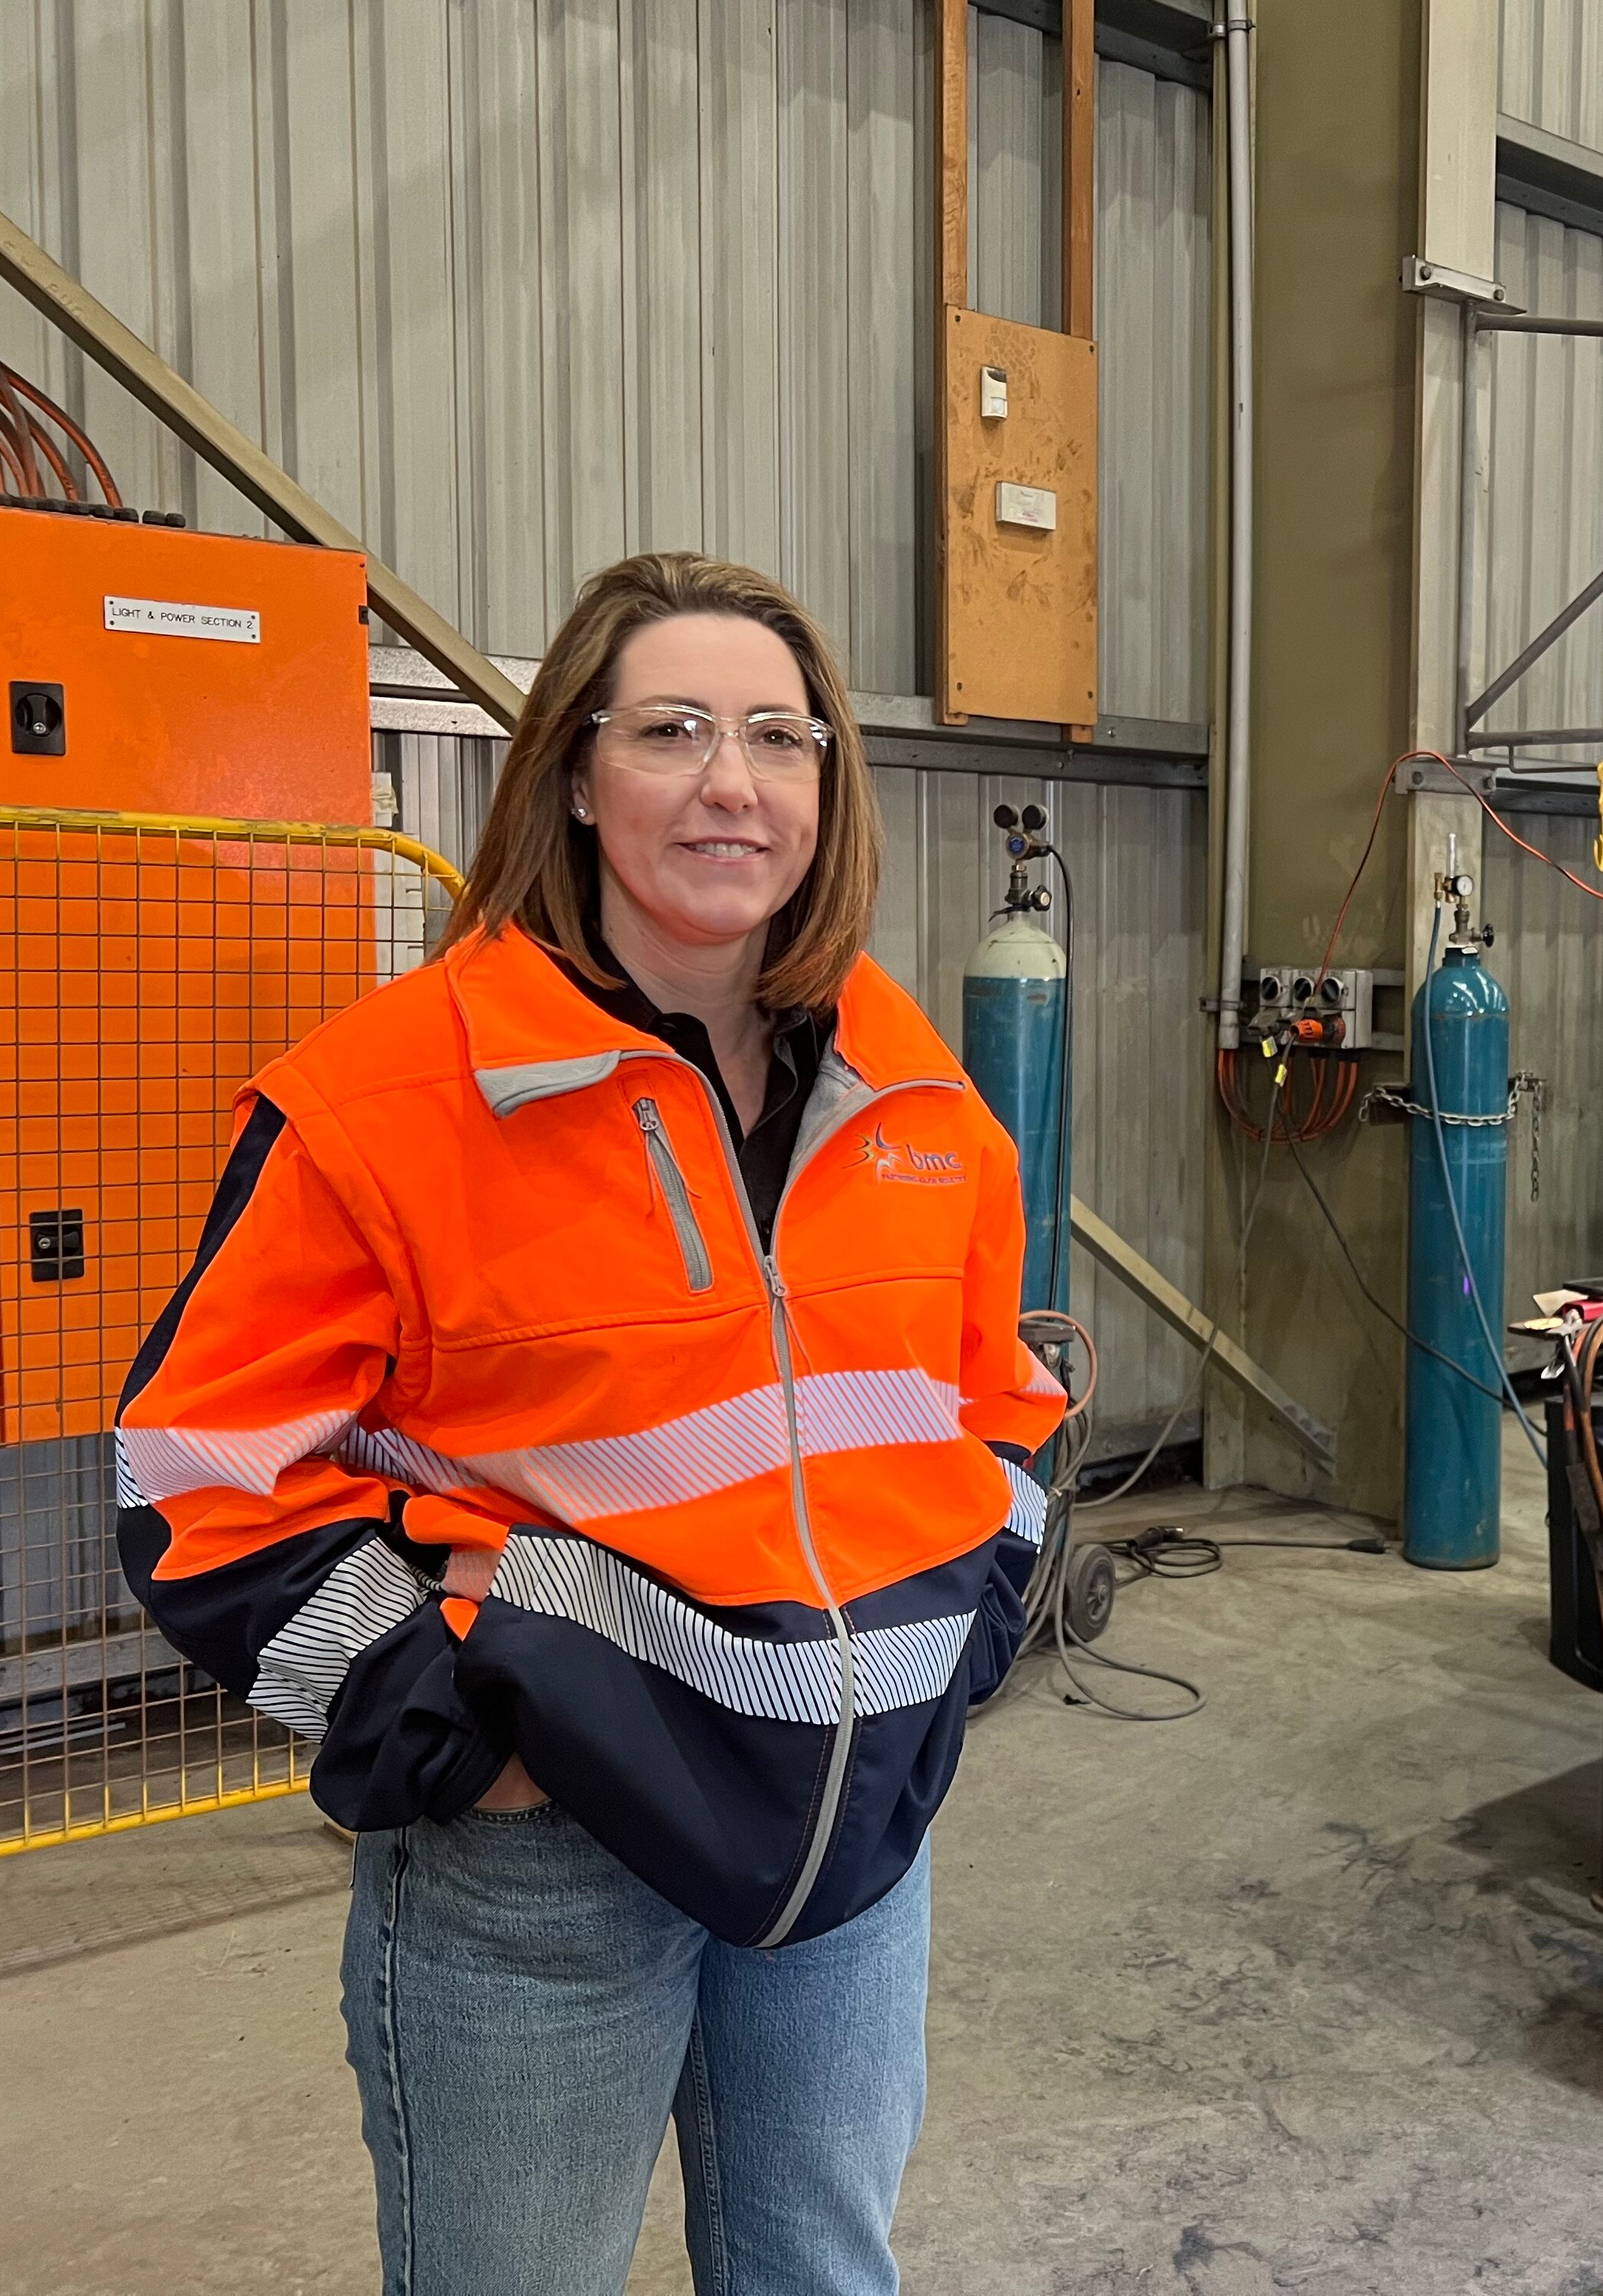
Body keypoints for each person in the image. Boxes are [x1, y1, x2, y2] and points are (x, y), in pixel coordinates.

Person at [117, 550, 1062, 2295]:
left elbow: (995, 1400)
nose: (733, 781)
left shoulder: (920, 1097)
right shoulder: (386, 1104)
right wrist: (463, 1742)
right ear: (572, 772)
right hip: (548, 1859)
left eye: (779, 737)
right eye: (672, 731)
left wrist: (962, 1647)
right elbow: (199, 1476)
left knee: (822, 2274)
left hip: (854, 1835)